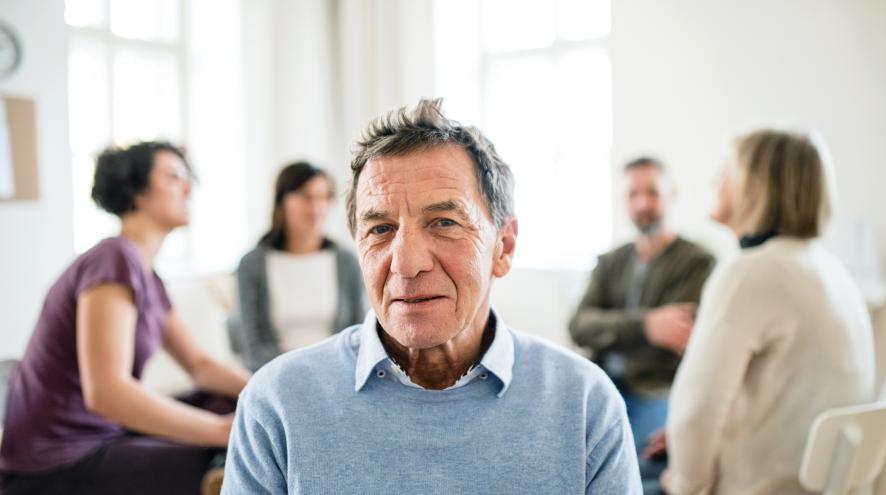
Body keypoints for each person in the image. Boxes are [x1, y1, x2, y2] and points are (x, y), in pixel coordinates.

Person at [221, 99, 642, 493]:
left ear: (504, 246)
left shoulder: (585, 404)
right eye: (380, 229)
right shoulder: (275, 403)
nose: (406, 263)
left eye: (443, 222)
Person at [0, 142, 251, 495]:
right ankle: (218, 473)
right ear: (137, 191)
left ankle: (220, 470)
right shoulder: (114, 258)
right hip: (56, 462)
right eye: (173, 177)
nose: (187, 188)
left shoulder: (145, 273)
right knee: (227, 442)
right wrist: (217, 431)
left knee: (235, 402)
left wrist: (267, 391)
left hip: (105, 434)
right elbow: (107, 392)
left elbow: (200, 365)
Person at [661, 129, 876, 494]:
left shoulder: (750, 272)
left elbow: (695, 414)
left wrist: (681, 484)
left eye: (725, 170)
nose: (714, 181)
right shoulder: (830, 268)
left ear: (754, 185)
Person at [568, 157, 715, 454]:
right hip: (602, 383)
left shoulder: (697, 263)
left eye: (652, 193)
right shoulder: (610, 261)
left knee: (634, 462)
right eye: (633, 194)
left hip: (658, 391)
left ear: (672, 194)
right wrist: (647, 326)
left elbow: (678, 334)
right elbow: (579, 325)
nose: (642, 204)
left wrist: (610, 327)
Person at [231, 162, 365, 371]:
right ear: (282, 201)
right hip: (275, 376)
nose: (316, 208)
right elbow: (252, 347)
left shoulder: (347, 261)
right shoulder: (252, 264)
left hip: (339, 374)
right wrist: (300, 377)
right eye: (306, 197)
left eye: (324, 197)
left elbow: (360, 335)